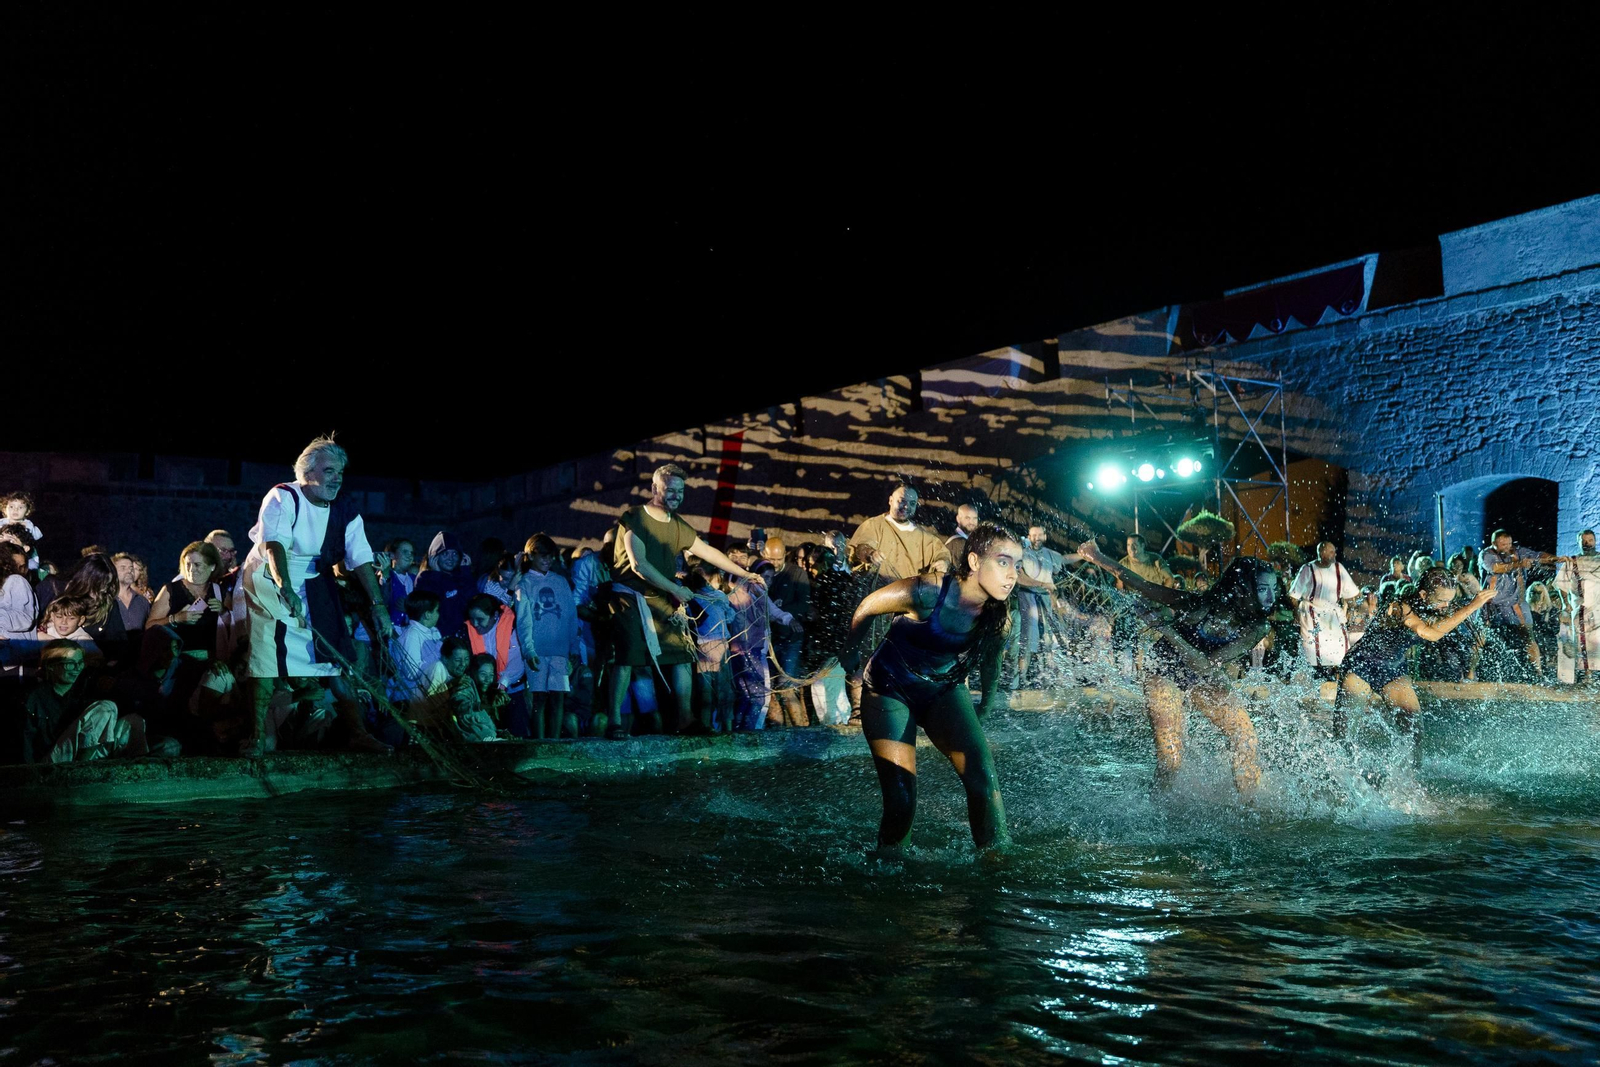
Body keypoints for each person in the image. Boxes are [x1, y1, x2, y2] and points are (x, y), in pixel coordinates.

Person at [846, 522, 1019, 854]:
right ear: (973, 562)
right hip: (889, 687)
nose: (1012, 574)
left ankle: (997, 861)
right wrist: (849, 651)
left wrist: (985, 704)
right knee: (901, 795)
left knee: (984, 780)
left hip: (942, 689)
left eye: (1017, 565)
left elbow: (991, 664)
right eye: (1003, 561)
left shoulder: (999, 617)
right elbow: (867, 606)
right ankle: (890, 865)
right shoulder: (927, 591)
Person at [233, 435, 394, 756]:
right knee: (267, 656)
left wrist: (378, 605)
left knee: (334, 656)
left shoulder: (346, 510)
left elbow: (359, 556)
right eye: (329, 471)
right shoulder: (282, 497)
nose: (337, 479)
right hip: (268, 575)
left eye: (340, 472)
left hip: (314, 578)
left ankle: (357, 733)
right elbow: (273, 543)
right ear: (306, 473)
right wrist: (285, 586)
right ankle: (256, 736)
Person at [1077, 539, 1276, 798]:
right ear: (1242, 588)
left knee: (1245, 737)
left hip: (1203, 673)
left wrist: (1165, 629)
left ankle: (1250, 806)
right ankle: (1157, 810)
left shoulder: (1257, 627)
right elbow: (1143, 585)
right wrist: (1097, 556)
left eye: (1273, 588)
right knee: (1171, 760)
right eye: (1263, 588)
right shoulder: (1199, 604)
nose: (1271, 597)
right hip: (1164, 670)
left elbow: (1205, 664)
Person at [603, 463, 765, 738]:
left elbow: (708, 551)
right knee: (628, 658)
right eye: (670, 489)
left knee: (681, 654)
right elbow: (638, 564)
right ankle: (615, 722)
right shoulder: (635, 517)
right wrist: (675, 589)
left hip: (661, 596)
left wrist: (745, 573)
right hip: (629, 598)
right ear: (655, 489)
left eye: (680, 490)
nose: (676, 495)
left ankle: (686, 719)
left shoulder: (678, 525)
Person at [1336, 569, 1498, 749]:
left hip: (1393, 671)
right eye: (1442, 600)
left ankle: (1410, 776)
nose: (1446, 606)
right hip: (1361, 667)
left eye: (1449, 600)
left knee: (1413, 733)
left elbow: (1446, 625)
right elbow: (1429, 633)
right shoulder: (1399, 607)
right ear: (1423, 594)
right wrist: (1472, 606)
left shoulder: (1437, 606)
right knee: (1344, 735)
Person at [22, 641, 149, 763]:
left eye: (80, 663)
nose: (77, 668)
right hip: (53, 760)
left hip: (79, 753)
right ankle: (82, 769)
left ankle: (142, 771)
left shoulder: (83, 691)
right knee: (106, 707)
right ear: (50, 666)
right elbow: (26, 739)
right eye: (70, 663)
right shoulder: (36, 697)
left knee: (133, 720)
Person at [724, 544, 798, 731]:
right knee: (759, 695)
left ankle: (741, 731)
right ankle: (751, 732)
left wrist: (789, 620)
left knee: (748, 694)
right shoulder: (740, 588)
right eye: (765, 577)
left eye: (770, 579)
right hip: (748, 648)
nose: (768, 582)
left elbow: (773, 611)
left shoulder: (759, 591)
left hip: (752, 647)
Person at [515, 534, 582, 739]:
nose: (547, 560)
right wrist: (528, 650)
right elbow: (523, 620)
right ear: (531, 556)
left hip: (560, 651)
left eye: (550, 556)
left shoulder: (561, 582)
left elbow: (571, 616)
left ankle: (554, 742)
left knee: (558, 698)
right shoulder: (524, 583)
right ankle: (540, 743)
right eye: (543, 556)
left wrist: (574, 647)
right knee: (539, 699)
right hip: (537, 651)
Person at [1477, 529, 1564, 682]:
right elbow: (1496, 568)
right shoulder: (1487, 554)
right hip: (1491, 604)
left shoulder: (1518, 552)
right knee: (1479, 638)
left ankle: (1538, 674)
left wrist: (1555, 558)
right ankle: (1470, 674)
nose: (1507, 547)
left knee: (1529, 636)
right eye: (1503, 544)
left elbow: (1538, 556)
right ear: (1494, 544)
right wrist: (1518, 564)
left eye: (1509, 544)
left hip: (1515, 604)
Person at [849, 486, 952, 583]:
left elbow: (942, 553)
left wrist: (943, 562)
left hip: (907, 597)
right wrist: (870, 554)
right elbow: (861, 548)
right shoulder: (874, 525)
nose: (906, 506)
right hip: (877, 597)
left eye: (912, 503)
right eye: (902, 501)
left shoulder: (923, 537)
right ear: (890, 500)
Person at [1288, 541, 1359, 678]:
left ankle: (1336, 676)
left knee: (1339, 647)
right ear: (1322, 553)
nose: (1335, 555)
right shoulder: (1308, 569)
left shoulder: (1339, 569)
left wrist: (1352, 610)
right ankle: (1314, 676)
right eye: (1331, 552)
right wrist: (1296, 613)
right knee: (1312, 648)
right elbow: (1294, 595)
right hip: (1310, 613)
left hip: (1332, 614)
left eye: (1334, 552)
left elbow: (1351, 594)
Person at [1016, 525, 1076, 682]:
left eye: (1039, 535)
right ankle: (1020, 679)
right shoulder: (1021, 553)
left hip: (1046, 600)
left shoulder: (1050, 554)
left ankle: (1048, 679)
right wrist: (1043, 585)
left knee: (1048, 640)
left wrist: (1085, 556)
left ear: (1045, 536)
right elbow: (1020, 578)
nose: (1036, 538)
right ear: (1029, 536)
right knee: (1027, 640)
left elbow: (1065, 559)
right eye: (1033, 535)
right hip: (1028, 600)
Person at [147, 541, 225, 661]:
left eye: (197, 564)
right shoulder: (171, 590)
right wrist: (176, 618)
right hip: (177, 663)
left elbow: (235, 626)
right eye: (188, 564)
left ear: (212, 566)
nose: (191, 569)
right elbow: (149, 626)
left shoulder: (219, 592)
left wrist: (223, 611)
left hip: (211, 663)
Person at [465, 593, 529, 736]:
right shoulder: (467, 631)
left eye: (480, 619)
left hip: (510, 690)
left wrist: (501, 686)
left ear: (494, 615)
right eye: (472, 619)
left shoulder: (512, 628)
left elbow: (517, 662)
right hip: (481, 693)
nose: (475, 624)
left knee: (515, 732)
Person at [766, 537, 812, 727]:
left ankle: (800, 730)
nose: (775, 564)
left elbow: (804, 603)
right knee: (770, 689)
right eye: (772, 560)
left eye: (778, 559)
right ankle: (778, 731)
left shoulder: (797, 573)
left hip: (791, 638)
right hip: (768, 639)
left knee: (787, 686)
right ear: (764, 555)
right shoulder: (761, 573)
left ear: (785, 555)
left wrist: (781, 610)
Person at [685, 563, 736, 731]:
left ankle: (716, 726)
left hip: (710, 646)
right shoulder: (705, 597)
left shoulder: (698, 597)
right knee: (715, 689)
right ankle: (716, 726)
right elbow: (729, 617)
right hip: (712, 646)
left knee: (714, 689)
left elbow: (729, 616)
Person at [1552, 529, 1600, 684]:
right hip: (1581, 607)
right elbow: (1562, 585)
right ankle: (1588, 675)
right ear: (1579, 542)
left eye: (1590, 540)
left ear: (1595, 541)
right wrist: (1566, 604)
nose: (1587, 544)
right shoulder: (1572, 562)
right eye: (1584, 541)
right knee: (1583, 640)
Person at [415, 532, 475, 639]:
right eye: (445, 554)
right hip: (438, 637)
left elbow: (471, 601)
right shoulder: (425, 578)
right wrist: (437, 576)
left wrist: (466, 573)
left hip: (463, 636)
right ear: (434, 557)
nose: (450, 559)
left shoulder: (461, 575)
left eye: (454, 554)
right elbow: (438, 604)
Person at [1525, 582, 1563, 683]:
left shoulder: (1551, 610)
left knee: (1549, 673)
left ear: (1544, 593)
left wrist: (1541, 617)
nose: (1536, 595)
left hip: (1548, 645)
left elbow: (1555, 629)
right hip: (1533, 642)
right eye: (1533, 592)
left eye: (1539, 592)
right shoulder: (1526, 610)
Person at [112, 552, 151, 633]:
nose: (129, 571)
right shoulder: (104, 600)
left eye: (131, 568)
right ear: (112, 571)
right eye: (123, 568)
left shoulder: (142, 602)